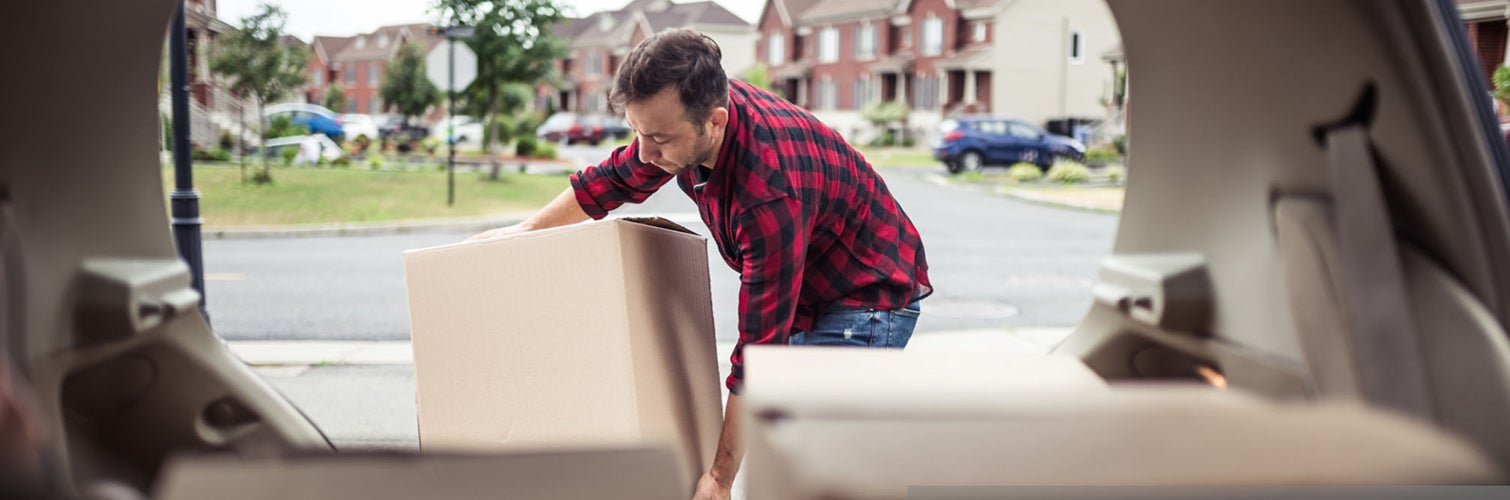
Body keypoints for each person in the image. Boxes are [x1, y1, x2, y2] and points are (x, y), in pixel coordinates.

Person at [468, 29, 931, 500]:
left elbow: (758, 354)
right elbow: (610, 181)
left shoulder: (768, 193)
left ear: (715, 122)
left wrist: (720, 480)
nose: (645, 153)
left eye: (658, 139)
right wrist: (525, 232)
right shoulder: (685, 121)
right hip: (809, 288)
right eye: (637, 131)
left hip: (867, 294)